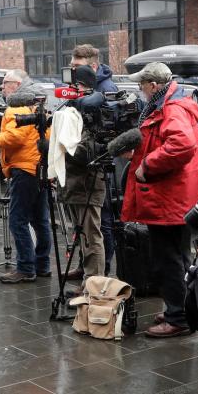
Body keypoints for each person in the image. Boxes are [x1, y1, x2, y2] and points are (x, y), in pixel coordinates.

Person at [122, 62, 198, 338]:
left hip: (167, 199)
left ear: (154, 86)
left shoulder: (171, 108)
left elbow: (182, 145)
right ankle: (179, 308)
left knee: (169, 259)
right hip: (174, 197)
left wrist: (147, 164)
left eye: (142, 85)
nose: (140, 90)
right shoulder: (173, 103)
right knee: (179, 257)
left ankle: (178, 317)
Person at [0, 69, 51, 283]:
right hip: (40, 168)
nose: (2, 88)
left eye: (5, 83)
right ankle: (42, 265)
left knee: (18, 220)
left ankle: (25, 267)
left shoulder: (16, 106)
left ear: (17, 84)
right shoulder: (38, 103)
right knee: (41, 220)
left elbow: (14, 138)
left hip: (24, 168)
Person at [70, 43, 118, 276]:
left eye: (77, 67)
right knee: (86, 225)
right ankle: (85, 267)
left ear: (94, 66)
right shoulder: (80, 92)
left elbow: (107, 131)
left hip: (99, 166)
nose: (73, 73)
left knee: (100, 222)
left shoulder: (106, 90)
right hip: (82, 168)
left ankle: (101, 273)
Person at [61, 65, 106, 287]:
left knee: (91, 235)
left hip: (87, 183)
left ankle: (93, 283)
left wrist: (60, 148)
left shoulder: (91, 110)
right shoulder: (74, 108)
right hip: (74, 183)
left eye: (74, 85)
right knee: (81, 234)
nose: (69, 90)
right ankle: (84, 271)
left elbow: (85, 152)